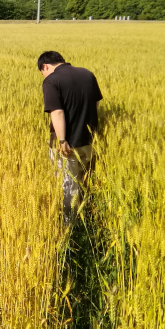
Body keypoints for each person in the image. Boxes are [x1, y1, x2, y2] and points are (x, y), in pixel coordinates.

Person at [38, 51, 103, 224]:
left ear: (45, 66)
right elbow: (96, 103)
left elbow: (57, 112)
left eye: (42, 72)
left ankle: (70, 225)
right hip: (89, 140)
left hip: (68, 144)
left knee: (68, 185)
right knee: (83, 178)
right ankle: (86, 215)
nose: (43, 76)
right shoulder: (87, 74)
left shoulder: (51, 81)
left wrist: (61, 140)